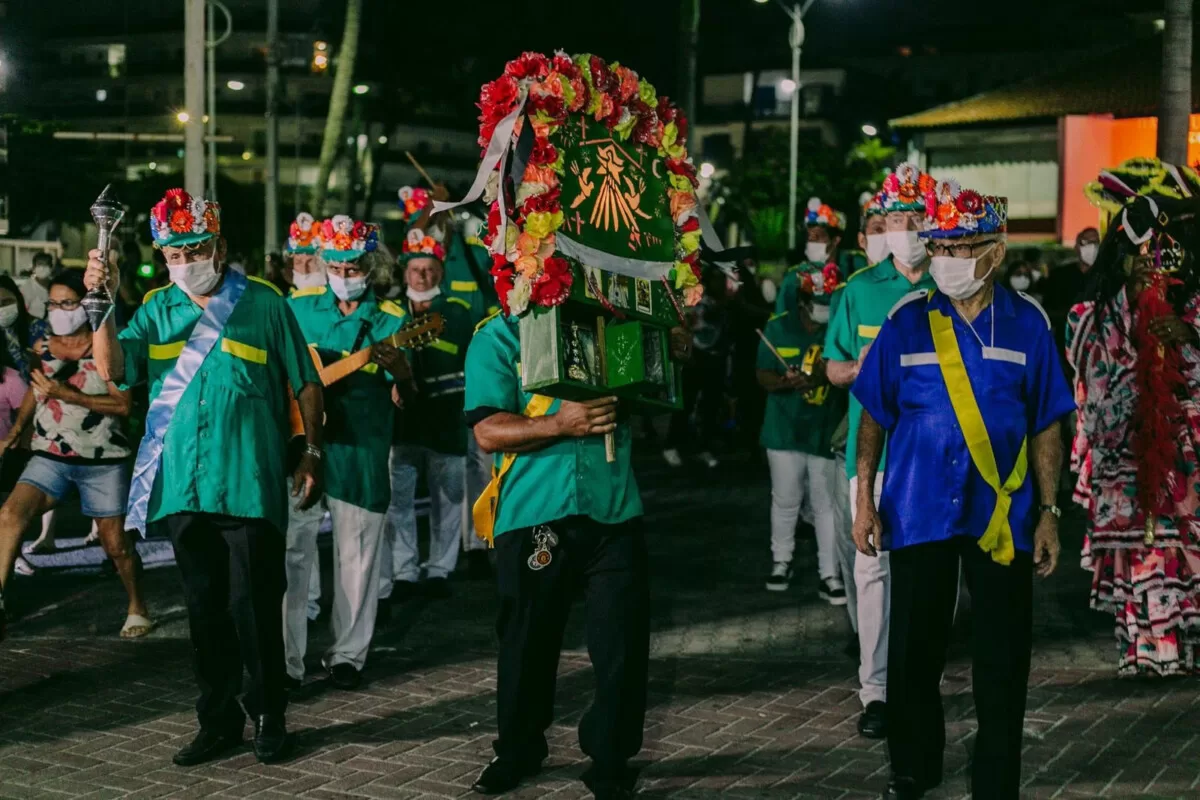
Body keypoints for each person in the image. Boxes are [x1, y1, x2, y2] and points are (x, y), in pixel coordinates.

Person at [84, 187, 324, 766]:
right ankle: (218, 720)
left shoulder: (266, 303)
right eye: (172, 253)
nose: (183, 261)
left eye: (193, 249)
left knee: (256, 609)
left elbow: (306, 382)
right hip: (183, 487)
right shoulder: (156, 307)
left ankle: (269, 715)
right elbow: (115, 371)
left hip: (249, 482)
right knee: (205, 611)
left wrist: (311, 451)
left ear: (217, 246)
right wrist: (102, 304)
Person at [851, 182, 1074, 800]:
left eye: (963, 245)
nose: (947, 258)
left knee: (1003, 655)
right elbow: (874, 412)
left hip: (1003, 516)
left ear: (995, 252)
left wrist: (1050, 512)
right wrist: (865, 498)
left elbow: (1047, 422)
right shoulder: (905, 321)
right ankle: (911, 766)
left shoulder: (1029, 324)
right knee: (915, 648)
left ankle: (996, 779)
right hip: (918, 508)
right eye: (941, 244)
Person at [465, 301, 690, 798]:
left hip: (613, 507)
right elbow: (487, 431)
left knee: (622, 643)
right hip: (534, 512)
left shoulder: (615, 326)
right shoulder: (498, 335)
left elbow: (654, 399)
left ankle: (611, 759)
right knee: (527, 640)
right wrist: (559, 424)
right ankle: (518, 750)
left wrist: (668, 353)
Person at [1067, 158, 1200, 676]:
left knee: (1181, 551)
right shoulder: (1091, 312)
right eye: (1140, 252)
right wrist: (1129, 303)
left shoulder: (1191, 306)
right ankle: (1144, 648)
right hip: (1124, 456)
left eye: (1162, 251)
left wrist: (1191, 339)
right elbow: (1091, 379)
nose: (1152, 261)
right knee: (1140, 553)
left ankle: (1182, 647)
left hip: (1184, 458)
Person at [823, 164, 938, 741]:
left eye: (917, 218)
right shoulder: (861, 291)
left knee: (932, 574)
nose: (908, 228)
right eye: (897, 219)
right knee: (872, 575)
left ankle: (920, 680)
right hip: (871, 460)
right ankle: (875, 691)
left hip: (936, 461)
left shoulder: (948, 287)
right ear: (883, 226)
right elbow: (832, 365)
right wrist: (859, 371)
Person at [285, 215, 409, 692]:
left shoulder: (393, 320)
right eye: (335, 265)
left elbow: (407, 397)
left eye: (354, 266)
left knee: (356, 555)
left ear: (370, 266)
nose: (344, 274)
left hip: (362, 447)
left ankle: (348, 656)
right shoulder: (297, 309)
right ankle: (288, 659)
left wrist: (400, 372)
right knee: (293, 551)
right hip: (301, 446)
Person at [0, 270, 148, 640]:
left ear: (86, 304)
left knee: (115, 544)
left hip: (102, 460)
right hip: (50, 455)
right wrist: (16, 433)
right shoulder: (44, 346)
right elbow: (36, 390)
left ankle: (137, 605)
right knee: (10, 514)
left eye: (67, 303)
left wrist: (68, 394)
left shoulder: (109, 348)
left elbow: (123, 406)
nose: (58, 310)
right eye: (53, 303)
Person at [379, 229, 475, 604]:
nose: (421, 276)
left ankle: (440, 569)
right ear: (404, 273)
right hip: (401, 425)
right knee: (398, 500)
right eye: (415, 269)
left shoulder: (458, 313)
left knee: (448, 498)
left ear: (440, 273)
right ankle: (404, 570)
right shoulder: (389, 314)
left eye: (429, 269)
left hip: (446, 420)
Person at [758, 263, 848, 608]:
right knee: (785, 499)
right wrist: (784, 383)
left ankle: (830, 574)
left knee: (826, 505)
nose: (824, 307)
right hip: (783, 431)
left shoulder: (838, 328)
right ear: (802, 301)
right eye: (818, 300)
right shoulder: (778, 329)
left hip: (824, 431)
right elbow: (762, 373)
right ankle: (781, 561)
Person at [663, 266, 729, 469]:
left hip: (716, 358)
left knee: (711, 404)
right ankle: (672, 445)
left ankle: (703, 447)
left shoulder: (725, 304)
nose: (722, 284)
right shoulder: (699, 302)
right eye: (718, 279)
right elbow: (687, 325)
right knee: (687, 402)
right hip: (697, 357)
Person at [774, 197, 846, 315]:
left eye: (817, 237)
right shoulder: (793, 278)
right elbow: (781, 320)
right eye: (809, 238)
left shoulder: (851, 271)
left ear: (835, 241)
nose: (812, 243)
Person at [1043, 226, 1102, 348]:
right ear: (1076, 247)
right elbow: (1048, 311)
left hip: (1096, 347)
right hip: (1065, 344)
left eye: (1095, 242)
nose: (1092, 247)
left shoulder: (1105, 277)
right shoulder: (1059, 276)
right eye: (1087, 242)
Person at [22, 252, 54, 320]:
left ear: (51, 267)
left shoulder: (55, 285)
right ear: (34, 268)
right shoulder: (27, 287)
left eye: (46, 264)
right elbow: (23, 311)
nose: (42, 268)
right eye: (39, 264)